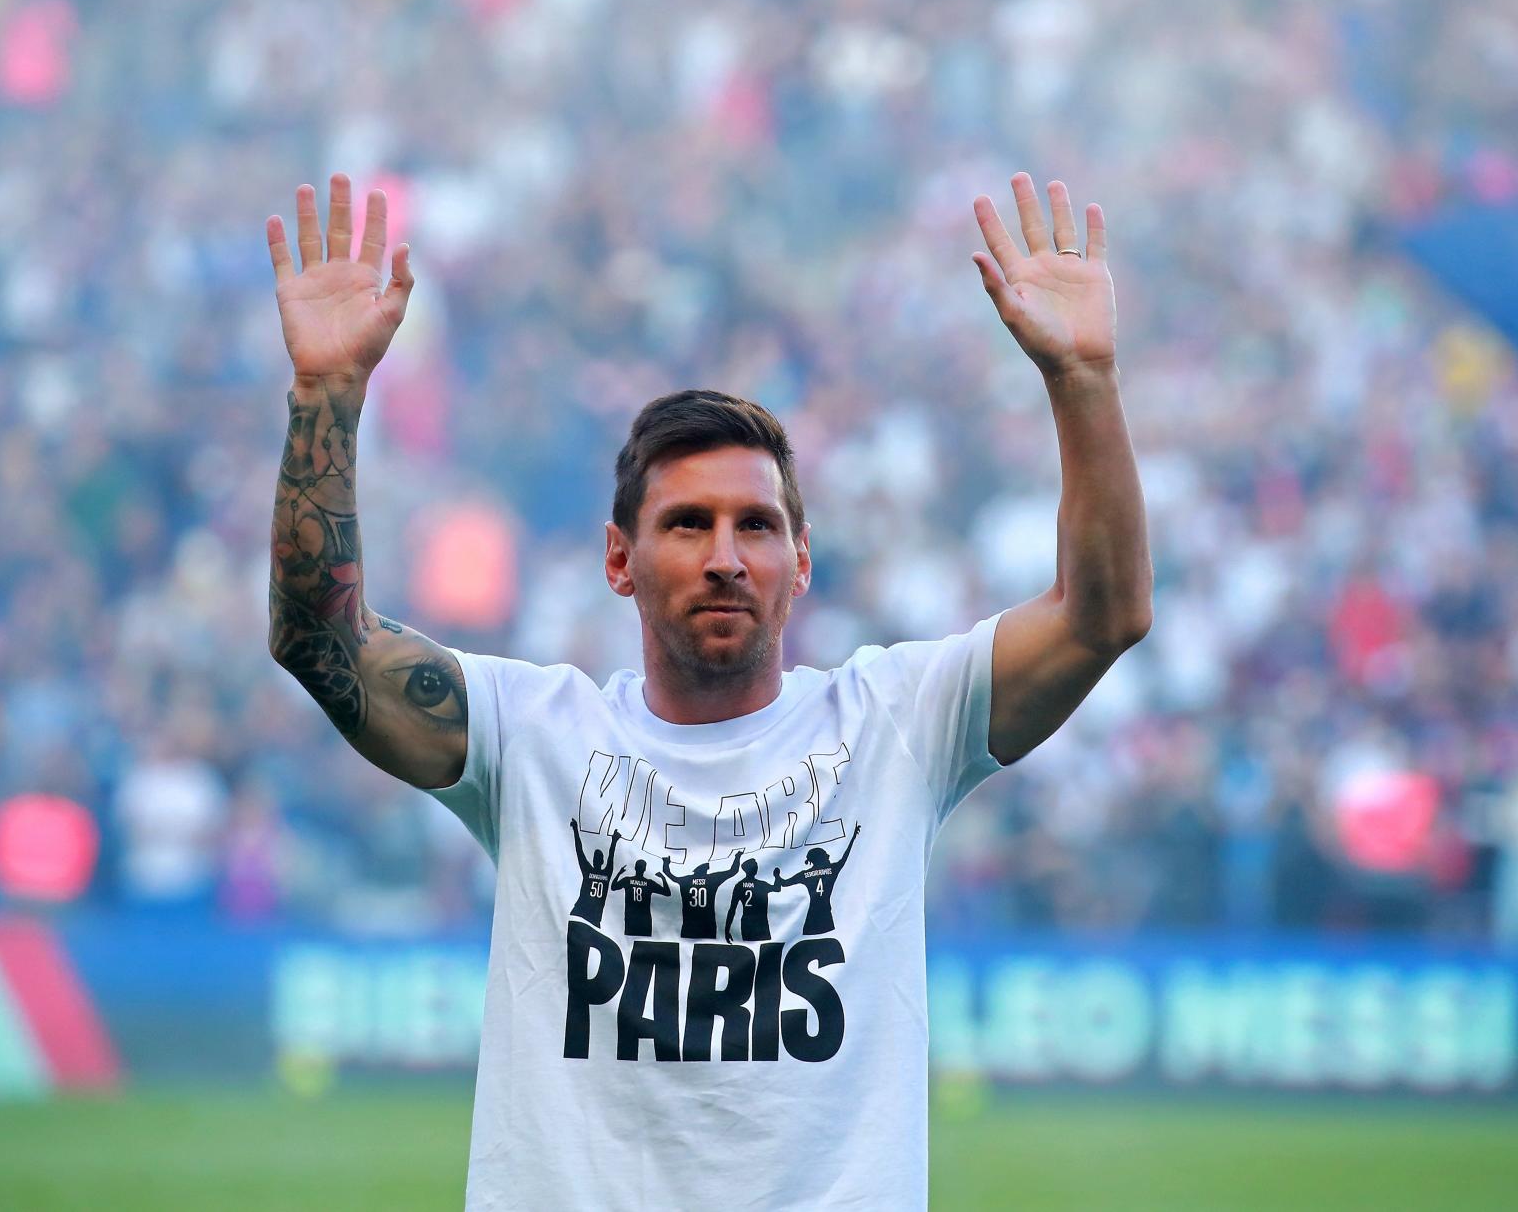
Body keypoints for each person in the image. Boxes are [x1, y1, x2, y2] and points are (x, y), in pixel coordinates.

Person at [266, 172, 1152, 1210]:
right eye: (687, 524)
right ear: (618, 559)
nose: (726, 556)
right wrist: (324, 397)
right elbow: (319, 642)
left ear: (801, 559)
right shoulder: (530, 735)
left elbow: (1103, 616)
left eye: (757, 525)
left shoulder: (897, 723)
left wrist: (1082, 377)